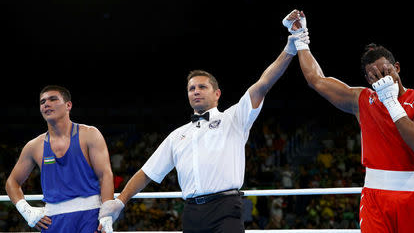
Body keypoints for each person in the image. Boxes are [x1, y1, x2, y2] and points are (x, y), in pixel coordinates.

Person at [97, 34, 303, 232]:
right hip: (191, 212)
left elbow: (262, 85)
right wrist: (120, 202)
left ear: (217, 93)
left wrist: (289, 49)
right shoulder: (177, 135)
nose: (196, 91)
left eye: (202, 87)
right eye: (191, 88)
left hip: (226, 207)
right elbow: (147, 173)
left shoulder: (234, 118)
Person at [283, 10, 414, 232]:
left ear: (397, 68)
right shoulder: (362, 100)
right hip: (375, 198)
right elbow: (317, 80)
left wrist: (391, 102)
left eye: (386, 72)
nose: (382, 79)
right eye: (374, 76)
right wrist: (300, 38)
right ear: (368, 80)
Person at [5, 85, 114, 232]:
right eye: (42, 102)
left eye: (53, 99)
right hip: (52, 220)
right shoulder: (34, 146)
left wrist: (107, 214)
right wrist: (27, 211)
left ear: (68, 105)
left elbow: (105, 175)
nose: (46, 104)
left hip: (91, 215)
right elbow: (12, 182)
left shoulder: (89, 134)